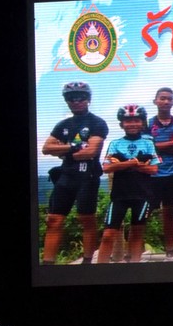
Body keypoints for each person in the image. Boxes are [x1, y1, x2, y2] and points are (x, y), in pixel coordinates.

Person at [41, 81, 108, 264]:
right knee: (54, 220)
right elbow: (46, 149)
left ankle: (87, 262)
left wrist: (63, 149)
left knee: (86, 219)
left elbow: (90, 152)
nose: (76, 101)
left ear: (88, 99)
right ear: (66, 100)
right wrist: (75, 146)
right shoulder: (63, 124)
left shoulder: (97, 123)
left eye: (81, 97)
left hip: (88, 177)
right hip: (66, 176)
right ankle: (48, 265)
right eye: (71, 97)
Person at [96, 104, 159, 263]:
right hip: (119, 195)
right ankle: (98, 271)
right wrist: (134, 163)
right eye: (127, 120)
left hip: (142, 194)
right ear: (121, 124)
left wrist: (122, 163)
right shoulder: (115, 143)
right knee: (108, 234)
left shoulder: (148, 143)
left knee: (137, 233)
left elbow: (154, 169)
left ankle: (134, 268)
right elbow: (106, 167)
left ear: (142, 123)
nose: (132, 124)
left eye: (136, 120)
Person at [147, 87, 173, 259]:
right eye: (162, 98)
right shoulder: (148, 124)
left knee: (169, 214)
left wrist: (160, 146)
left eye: (169, 99)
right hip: (151, 175)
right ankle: (133, 250)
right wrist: (172, 143)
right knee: (143, 213)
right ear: (155, 101)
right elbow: (147, 147)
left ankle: (171, 250)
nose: (166, 101)